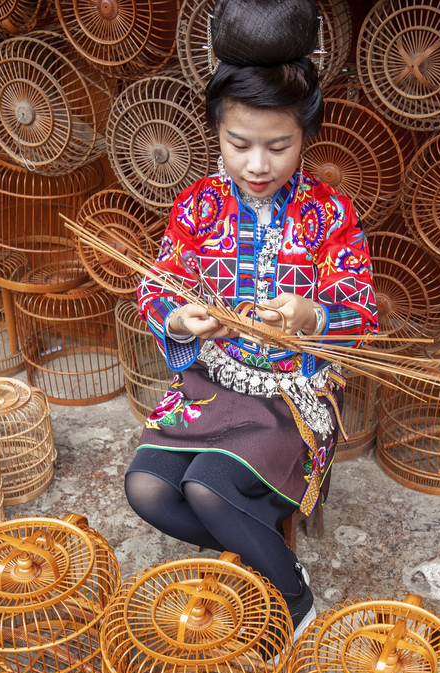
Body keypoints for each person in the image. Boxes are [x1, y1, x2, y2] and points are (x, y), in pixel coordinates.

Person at [123, 0, 377, 638]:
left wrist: (312, 314)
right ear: (216, 135)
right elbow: (155, 288)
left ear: (305, 138)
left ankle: (291, 599)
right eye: (239, 145)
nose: (257, 165)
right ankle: (261, 550)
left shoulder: (330, 215)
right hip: (210, 383)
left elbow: (362, 314)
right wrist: (181, 320)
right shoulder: (197, 206)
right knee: (147, 490)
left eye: (278, 146)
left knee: (208, 490)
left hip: (291, 393)